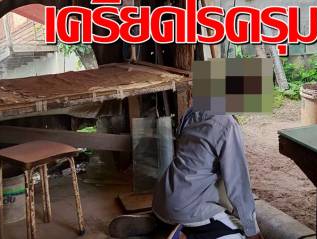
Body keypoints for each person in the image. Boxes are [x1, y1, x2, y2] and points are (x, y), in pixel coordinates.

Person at [109, 94, 262, 239]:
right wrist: (252, 230)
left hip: (163, 198)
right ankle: (185, 232)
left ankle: (160, 223)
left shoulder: (192, 112)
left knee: (207, 177)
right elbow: (238, 182)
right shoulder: (227, 124)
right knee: (237, 233)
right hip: (189, 209)